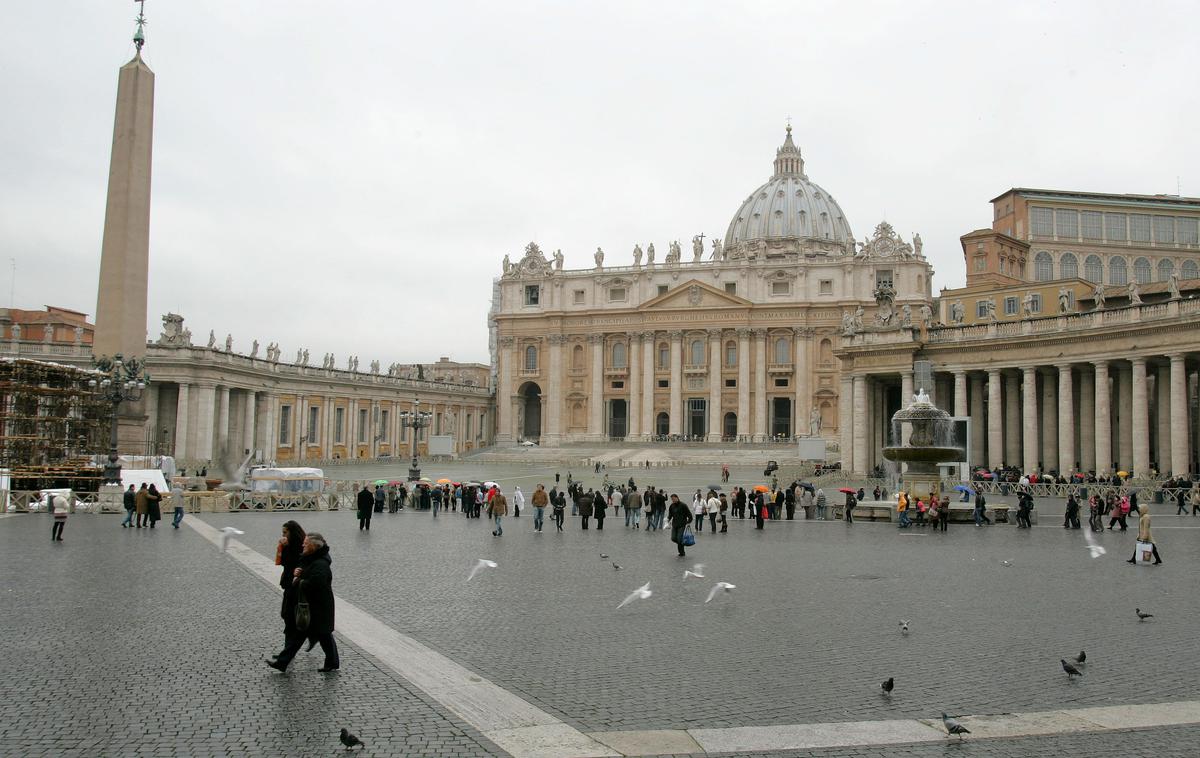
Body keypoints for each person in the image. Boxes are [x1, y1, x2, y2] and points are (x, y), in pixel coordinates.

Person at [268, 531, 339, 673]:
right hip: (312, 606)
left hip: (318, 606)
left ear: (313, 546)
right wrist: (299, 572)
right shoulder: (311, 558)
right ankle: (283, 662)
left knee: (320, 635)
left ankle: (283, 662)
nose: (303, 545)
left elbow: (315, 583)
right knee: (313, 635)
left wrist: (299, 579)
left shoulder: (320, 564)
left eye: (305, 543)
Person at [270, 520, 305, 664]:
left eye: (285, 532)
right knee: (288, 617)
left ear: (292, 532)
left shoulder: (298, 546)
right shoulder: (291, 544)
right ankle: (287, 652)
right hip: (289, 584)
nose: (283, 535)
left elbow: (288, 562)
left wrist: (284, 548)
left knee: (289, 617)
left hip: (295, 585)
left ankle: (286, 653)